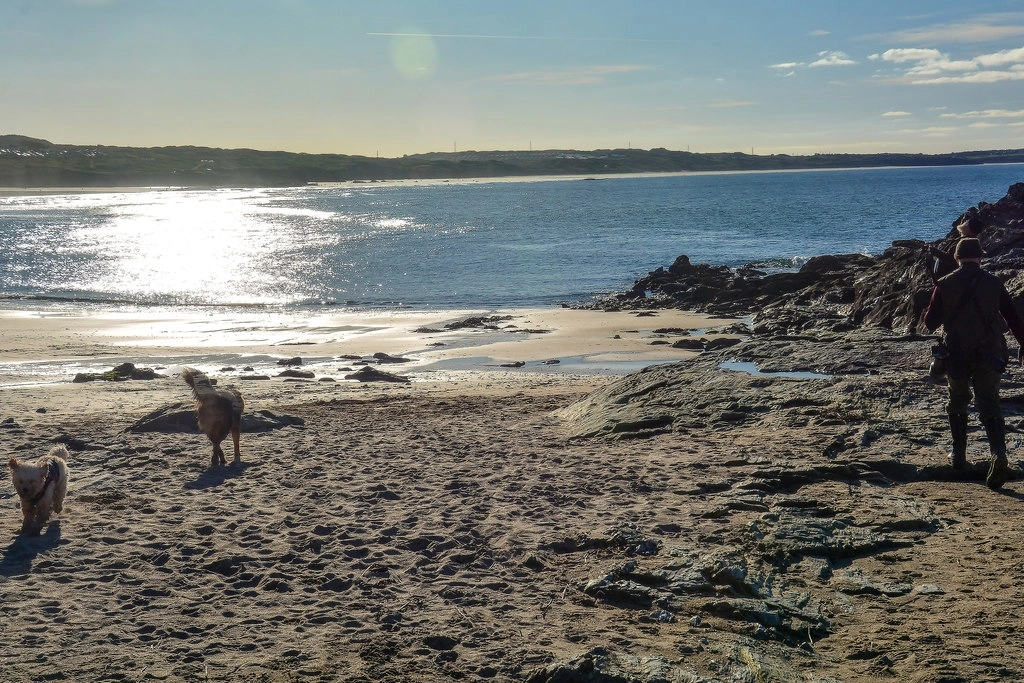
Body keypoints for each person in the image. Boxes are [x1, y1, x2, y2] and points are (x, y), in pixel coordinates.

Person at [923, 237, 1024, 489]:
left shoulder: (943, 285)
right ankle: (998, 453)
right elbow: (1013, 318)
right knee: (989, 403)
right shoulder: (994, 282)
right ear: (980, 257)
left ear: (957, 259)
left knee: (957, 399)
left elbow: (929, 323)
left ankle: (958, 455)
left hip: (955, 353)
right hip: (990, 353)